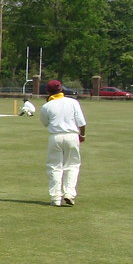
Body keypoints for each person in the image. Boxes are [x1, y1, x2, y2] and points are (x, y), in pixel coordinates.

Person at [39, 79, 86, 207]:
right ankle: (69, 193)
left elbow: (45, 122)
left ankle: (55, 198)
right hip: (72, 136)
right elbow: (81, 122)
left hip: (55, 136)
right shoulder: (73, 102)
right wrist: (82, 135)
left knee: (54, 166)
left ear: (48, 91)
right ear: (61, 89)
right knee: (72, 165)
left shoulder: (46, 106)